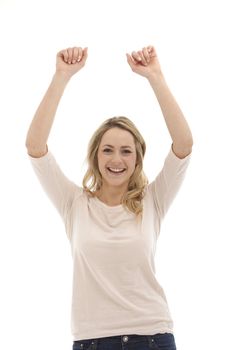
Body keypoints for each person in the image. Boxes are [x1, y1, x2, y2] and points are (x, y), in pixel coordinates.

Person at [25, 45, 193, 350]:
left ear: (137, 159)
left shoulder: (152, 200)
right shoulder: (74, 203)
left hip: (152, 337)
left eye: (126, 150)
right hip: (92, 341)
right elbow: (36, 146)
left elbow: (183, 143)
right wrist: (61, 76)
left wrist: (155, 76)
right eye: (108, 149)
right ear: (95, 156)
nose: (117, 159)